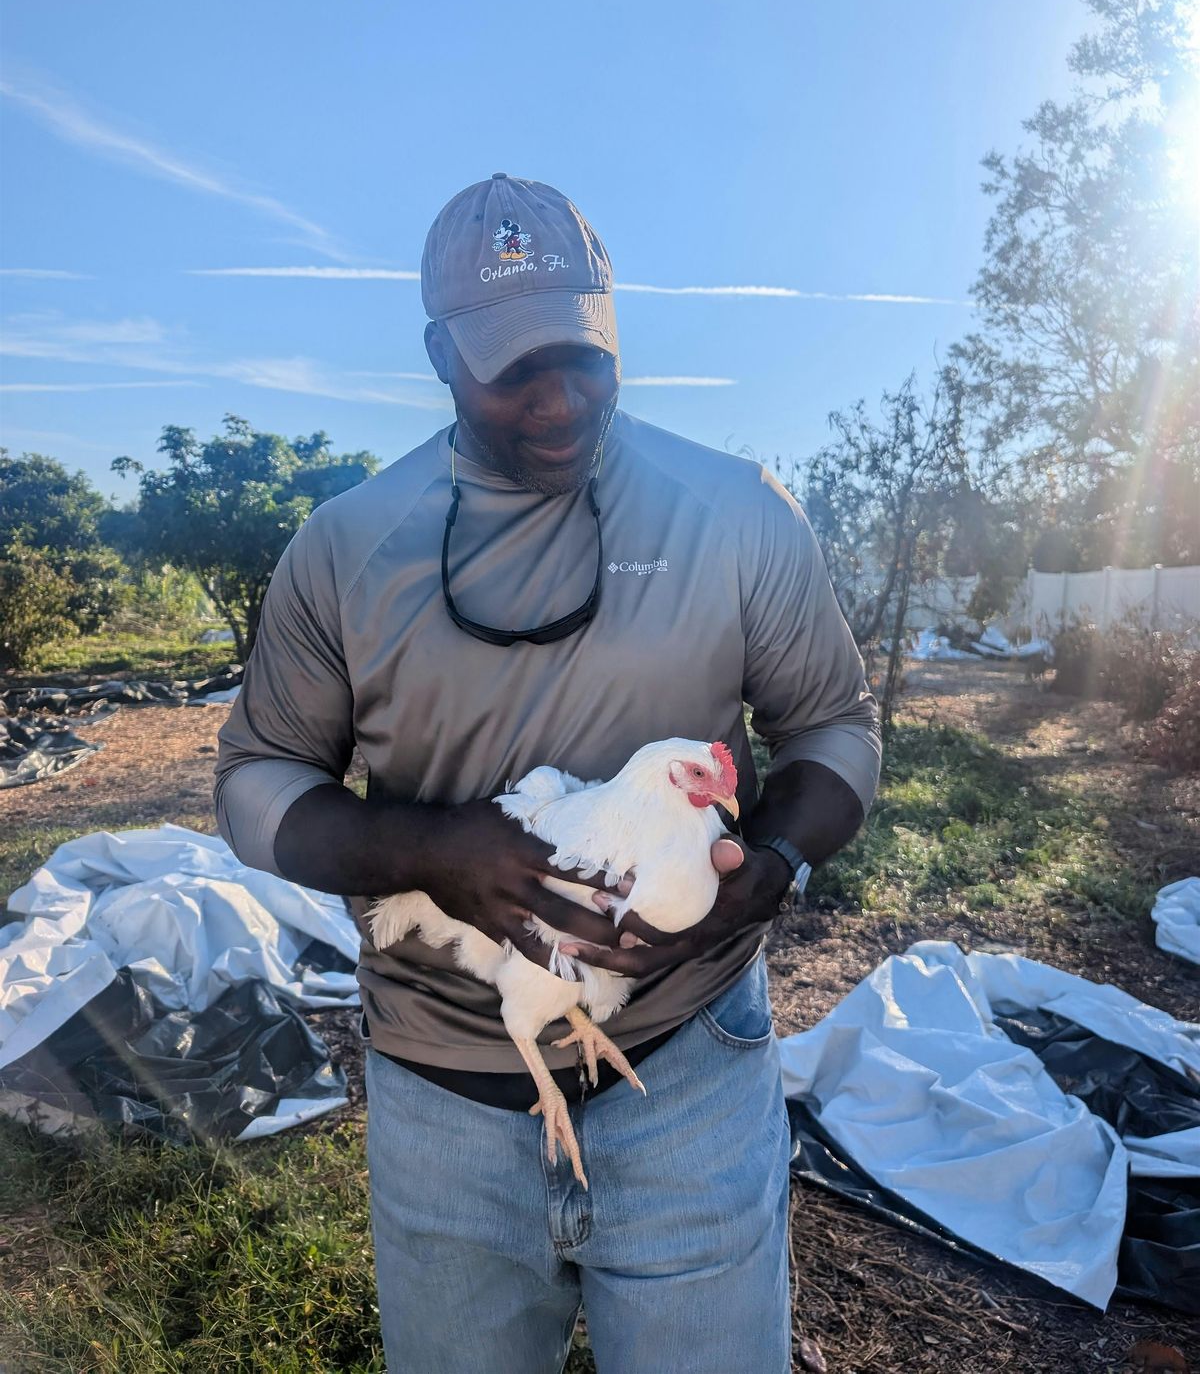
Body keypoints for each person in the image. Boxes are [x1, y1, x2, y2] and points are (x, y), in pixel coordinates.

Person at [214, 173, 881, 1374]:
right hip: (441, 1107)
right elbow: (258, 779)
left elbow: (837, 730)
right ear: (437, 355)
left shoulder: (733, 513)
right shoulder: (349, 546)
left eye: (582, 354)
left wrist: (771, 864)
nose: (558, 399)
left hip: (689, 1076)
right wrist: (422, 850)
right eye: (511, 367)